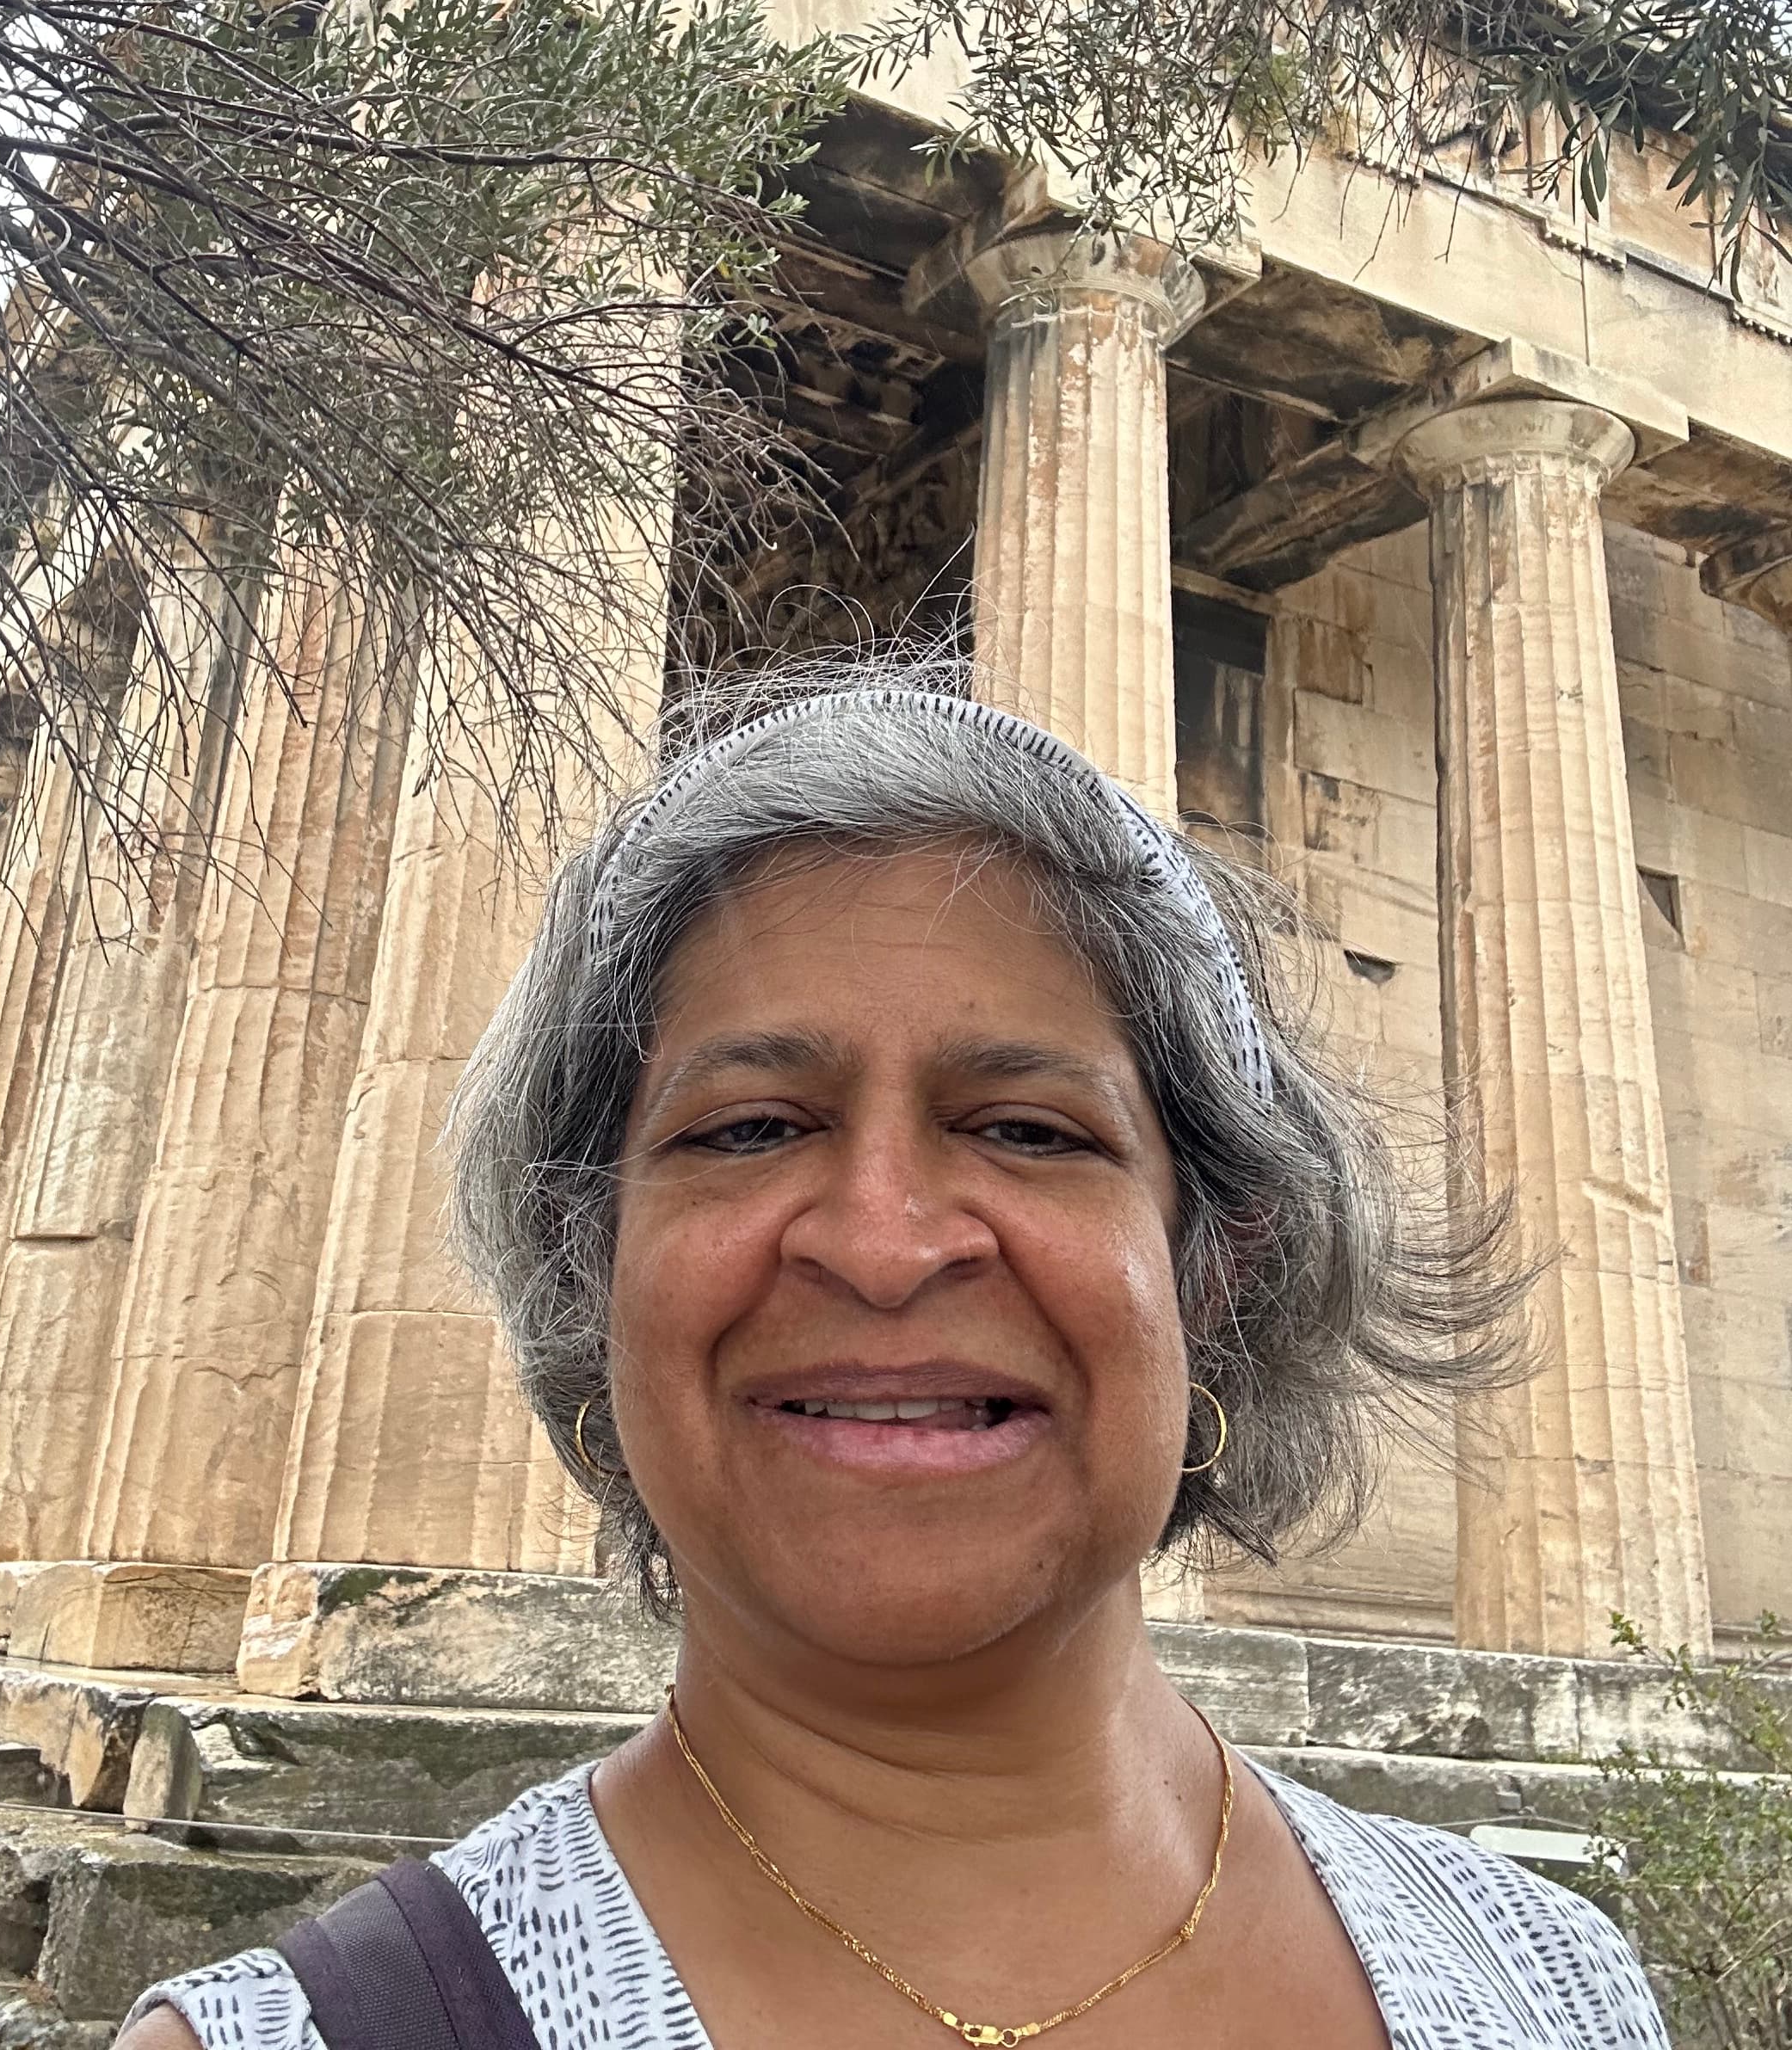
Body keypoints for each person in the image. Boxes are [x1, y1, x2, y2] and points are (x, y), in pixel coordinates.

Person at [121, 670, 1670, 2050]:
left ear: (1218, 1272)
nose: (882, 1244)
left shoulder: (1556, 1986)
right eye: (749, 1128)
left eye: (1025, 1129)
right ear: (595, 1283)